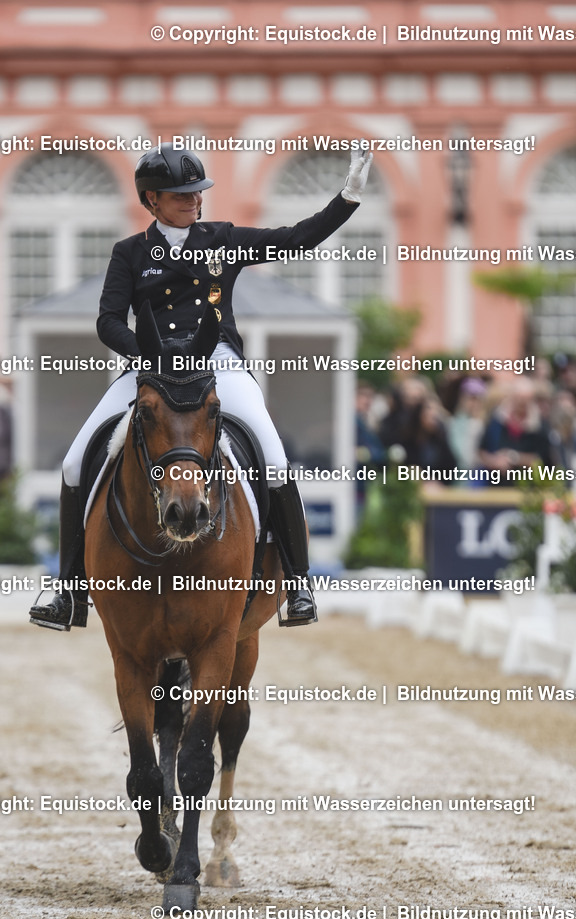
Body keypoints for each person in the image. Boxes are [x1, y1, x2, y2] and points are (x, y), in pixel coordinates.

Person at [30, 141, 373, 630]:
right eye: (181, 194)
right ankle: (67, 590)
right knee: (73, 462)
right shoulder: (129, 253)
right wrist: (143, 353)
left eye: (197, 192)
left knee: (274, 461)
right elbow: (108, 321)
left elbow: (296, 239)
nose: (194, 200)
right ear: (152, 200)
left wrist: (348, 199)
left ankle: (298, 582)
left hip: (217, 364)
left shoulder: (223, 239)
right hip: (150, 367)